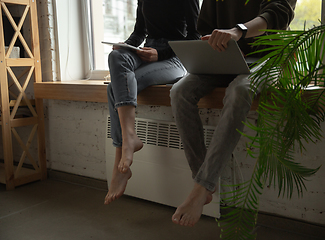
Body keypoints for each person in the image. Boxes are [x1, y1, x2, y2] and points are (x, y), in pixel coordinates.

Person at [170, 0, 297, 227]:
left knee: (239, 91)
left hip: (269, 58)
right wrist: (213, 43)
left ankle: (201, 186)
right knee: (179, 91)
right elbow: (205, 25)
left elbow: (279, 13)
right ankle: (204, 183)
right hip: (225, 56)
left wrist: (238, 31)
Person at [104, 0, 200, 205]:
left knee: (114, 88)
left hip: (176, 59)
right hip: (148, 52)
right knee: (116, 56)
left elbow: (195, 37)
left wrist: (162, 54)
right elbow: (140, 32)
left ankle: (120, 158)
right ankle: (130, 139)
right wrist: (126, 45)